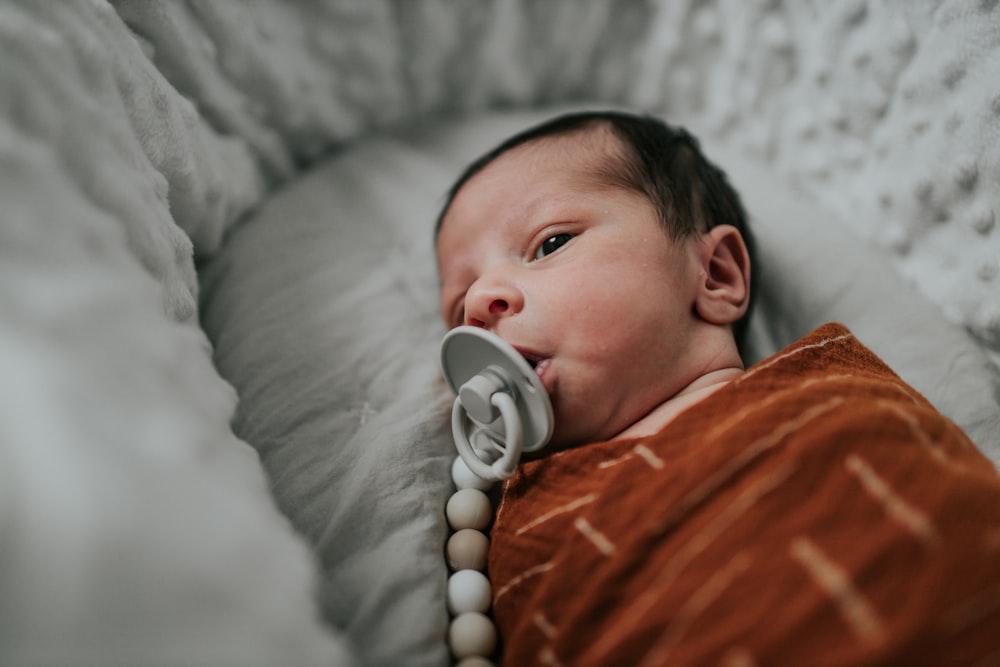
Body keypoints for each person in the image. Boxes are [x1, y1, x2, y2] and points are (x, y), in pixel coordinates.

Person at [435, 111, 1000, 665]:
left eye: (550, 244)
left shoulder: (829, 386)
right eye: (459, 308)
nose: (481, 301)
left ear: (715, 276)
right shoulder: (519, 521)